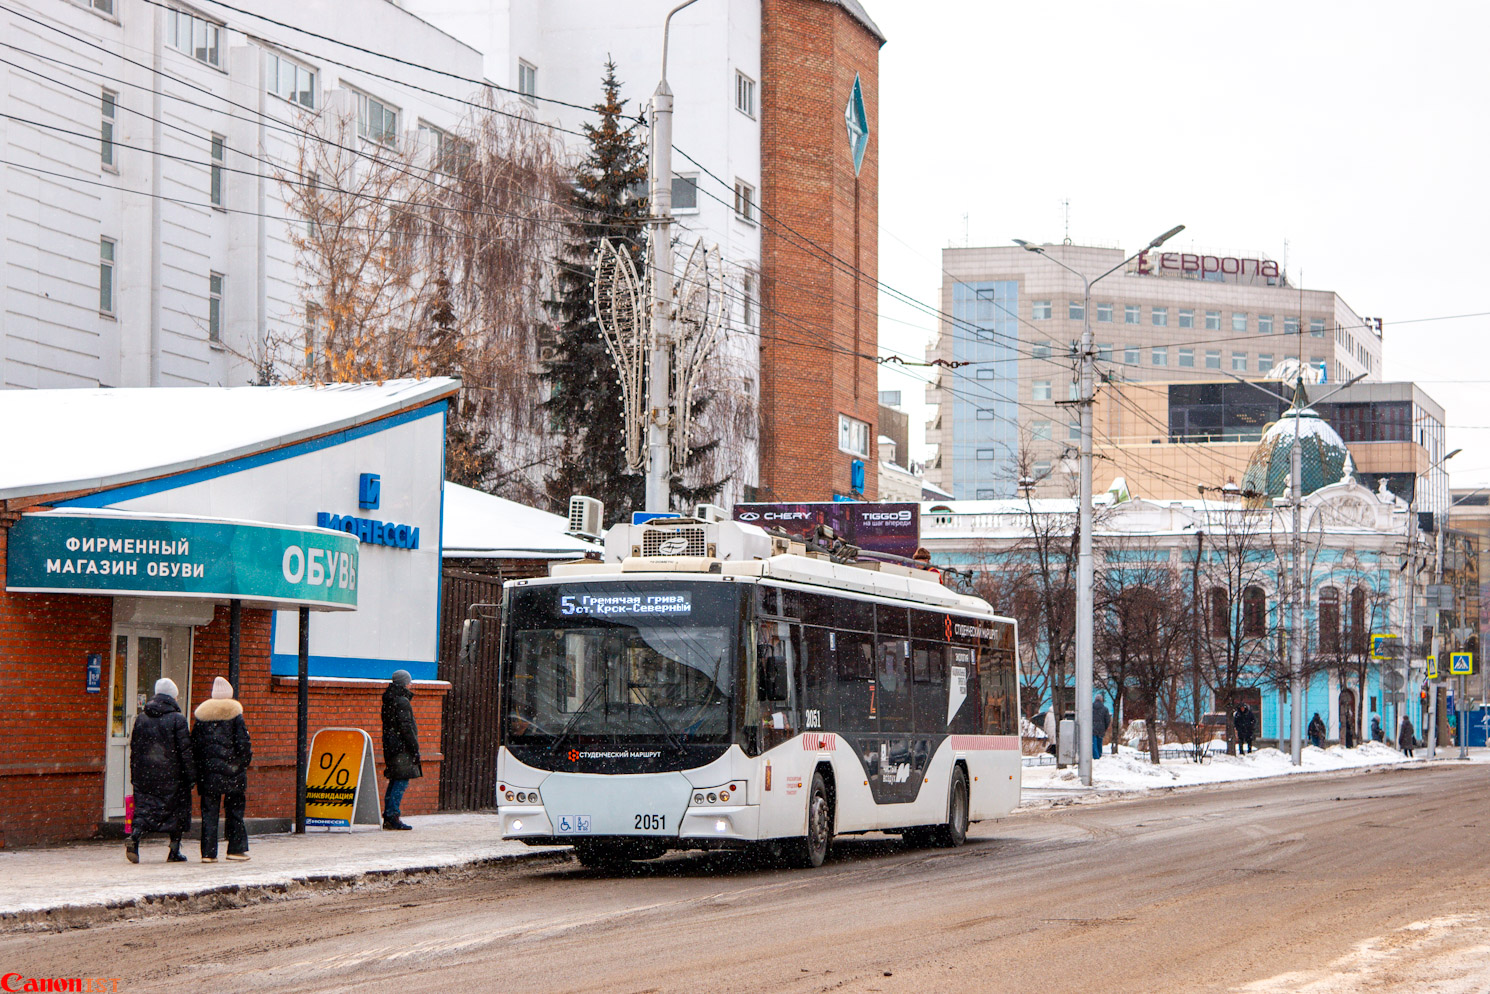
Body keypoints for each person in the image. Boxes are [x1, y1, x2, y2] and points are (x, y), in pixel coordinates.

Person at [126, 677, 195, 863]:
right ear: (173, 696)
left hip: (145, 775)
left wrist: (135, 774)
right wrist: (191, 775)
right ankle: (174, 850)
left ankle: (135, 836)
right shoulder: (178, 719)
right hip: (172, 775)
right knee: (176, 810)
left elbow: (135, 749)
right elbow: (185, 751)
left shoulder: (141, 718)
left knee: (144, 809)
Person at [192, 676, 253, 863]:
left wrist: (201, 768)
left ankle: (208, 853)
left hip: (208, 774)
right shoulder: (235, 715)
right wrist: (241, 764)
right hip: (233, 772)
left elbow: (195, 746)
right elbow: (244, 744)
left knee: (209, 813)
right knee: (234, 811)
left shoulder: (202, 717)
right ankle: (235, 849)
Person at [381, 670, 421, 830]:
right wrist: (414, 747)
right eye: (409, 681)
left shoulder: (389, 699)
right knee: (401, 781)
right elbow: (406, 727)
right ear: (404, 683)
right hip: (401, 747)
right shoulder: (402, 701)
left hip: (391, 746)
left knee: (395, 780)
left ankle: (389, 815)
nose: (411, 684)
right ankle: (392, 815)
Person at [1091, 695, 1111, 760]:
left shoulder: (1091, 708)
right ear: (1102, 700)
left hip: (1092, 727)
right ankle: (1099, 755)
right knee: (1099, 742)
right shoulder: (1105, 709)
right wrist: (1105, 728)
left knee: (1093, 743)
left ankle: (1095, 756)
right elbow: (1107, 720)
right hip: (1101, 728)